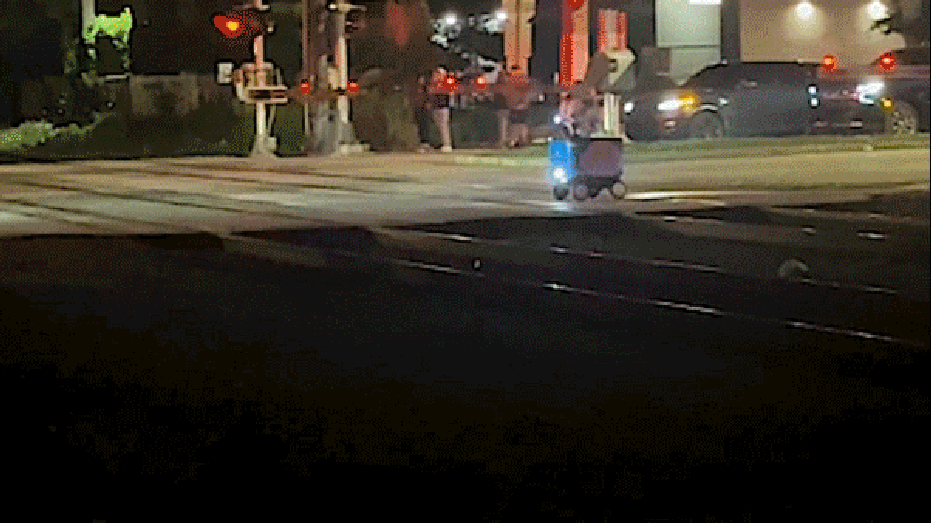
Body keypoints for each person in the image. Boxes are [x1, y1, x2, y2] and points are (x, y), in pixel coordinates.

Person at [430, 67, 453, 152]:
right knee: (437, 126)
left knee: (444, 126)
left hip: (443, 107)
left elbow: (449, 93)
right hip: (435, 107)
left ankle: (446, 144)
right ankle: (438, 144)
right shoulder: (434, 84)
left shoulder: (446, 83)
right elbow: (431, 93)